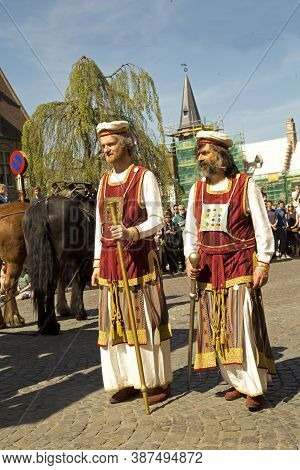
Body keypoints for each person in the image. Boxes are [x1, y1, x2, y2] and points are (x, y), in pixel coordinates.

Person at [184, 130, 275, 410]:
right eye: (199, 153)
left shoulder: (244, 185)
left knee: (242, 325)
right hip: (209, 269)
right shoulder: (197, 190)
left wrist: (263, 261)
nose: (200, 157)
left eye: (205, 152)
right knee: (218, 327)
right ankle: (235, 381)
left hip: (238, 263)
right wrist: (190, 257)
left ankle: (254, 387)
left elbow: (261, 226)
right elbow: (190, 228)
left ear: (221, 157)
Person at [91, 120, 172, 405]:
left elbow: (158, 218)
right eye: (103, 147)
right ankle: (125, 380)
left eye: (110, 145)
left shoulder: (143, 176)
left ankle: (152, 381)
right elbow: (99, 224)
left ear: (125, 144)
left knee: (143, 319)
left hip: (138, 259)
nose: (106, 151)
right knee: (116, 324)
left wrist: (132, 232)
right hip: (111, 263)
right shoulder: (103, 182)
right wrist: (97, 263)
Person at [172, 204, 186, 271]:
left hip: (187, 236)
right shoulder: (176, 218)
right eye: (180, 209)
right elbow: (173, 227)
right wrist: (180, 225)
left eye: (182, 209)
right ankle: (183, 266)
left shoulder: (187, 216)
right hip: (180, 236)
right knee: (182, 251)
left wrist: (184, 222)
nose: (181, 211)